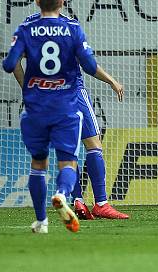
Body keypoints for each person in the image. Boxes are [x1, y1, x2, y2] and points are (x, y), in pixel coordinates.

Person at [2, 0, 99, 233]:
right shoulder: (73, 29)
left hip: (35, 107)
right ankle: (62, 193)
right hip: (65, 106)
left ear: (37, 0)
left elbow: (9, 64)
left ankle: (41, 221)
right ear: (62, 1)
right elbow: (89, 66)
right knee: (68, 161)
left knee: (38, 163)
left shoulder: (26, 28)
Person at [11, 52, 129, 220]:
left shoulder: (30, 31)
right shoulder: (69, 29)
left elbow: (14, 62)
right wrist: (112, 80)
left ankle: (78, 201)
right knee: (94, 146)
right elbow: (88, 64)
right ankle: (101, 204)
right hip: (74, 93)